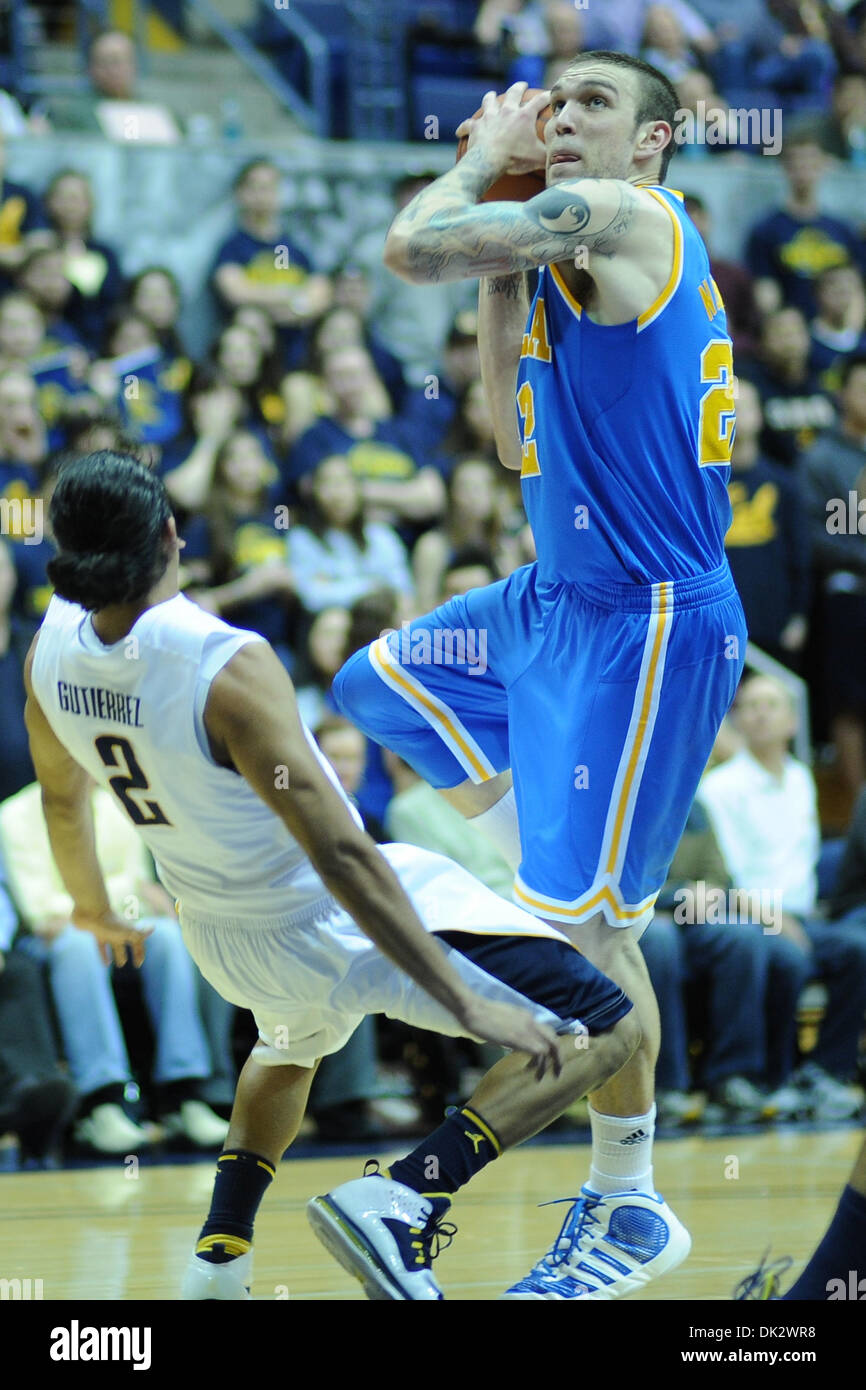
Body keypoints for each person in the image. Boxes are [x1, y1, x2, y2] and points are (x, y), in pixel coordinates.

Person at [24, 450, 640, 1302]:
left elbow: (63, 802)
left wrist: (96, 910)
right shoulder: (222, 664)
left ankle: (218, 1262)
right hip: (333, 916)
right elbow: (342, 855)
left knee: (289, 1046)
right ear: (172, 535)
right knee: (611, 1024)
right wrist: (460, 1002)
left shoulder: (49, 647)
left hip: (221, 935)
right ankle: (406, 1197)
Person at [334, 56, 747, 1300]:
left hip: (646, 620)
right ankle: (556, 879)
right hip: (551, 602)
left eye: (589, 106)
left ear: (656, 141)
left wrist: (476, 164)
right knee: (378, 685)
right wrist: (503, 253)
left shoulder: (631, 216)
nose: (559, 118)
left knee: (590, 936)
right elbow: (510, 436)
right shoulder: (563, 256)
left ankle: (624, 1202)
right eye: (548, 102)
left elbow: (410, 248)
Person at [700, 674, 866, 1120]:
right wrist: (775, 918)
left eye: (771, 704)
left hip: (801, 914)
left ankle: (823, 1073)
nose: (759, 713)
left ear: (793, 721)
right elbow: (725, 879)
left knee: (857, 950)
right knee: (784, 956)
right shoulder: (720, 787)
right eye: (749, 706)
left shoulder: (799, 779)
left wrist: (801, 917)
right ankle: (766, 1078)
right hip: (744, 913)